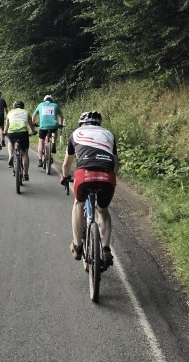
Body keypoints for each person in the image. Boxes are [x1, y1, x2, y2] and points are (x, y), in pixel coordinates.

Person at [60, 111, 119, 267]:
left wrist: (65, 177)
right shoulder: (109, 134)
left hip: (84, 174)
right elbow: (115, 163)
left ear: (82, 124)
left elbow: (67, 164)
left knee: (78, 203)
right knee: (103, 209)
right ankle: (106, 249)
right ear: (99, 124)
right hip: (107, 175)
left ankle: (78, 245)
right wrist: (112, 179)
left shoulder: (75, 134)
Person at [3, 101, 36, 179]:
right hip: (23, 133)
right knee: (25, 154)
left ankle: (11, 155)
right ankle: (26, 174)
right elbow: (31, 124)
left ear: (14, 107)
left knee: (10, 142)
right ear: (22, 106)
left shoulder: (10, 113)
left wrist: (4, 132)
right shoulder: (26, 112)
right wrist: (33, 132)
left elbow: (6, 126)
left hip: (12, 132)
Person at [32, 94, 64, 167]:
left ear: (44, 100)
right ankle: (53, 143)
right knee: (55, 131)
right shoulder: (55, 105)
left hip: (43, 126)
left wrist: (34, 123)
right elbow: (61, 117)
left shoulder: (40, 105)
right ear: (52, 100)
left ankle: (40, 160)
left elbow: (34, 115)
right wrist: (61, 124)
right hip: (53, 125)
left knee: (41, 143)